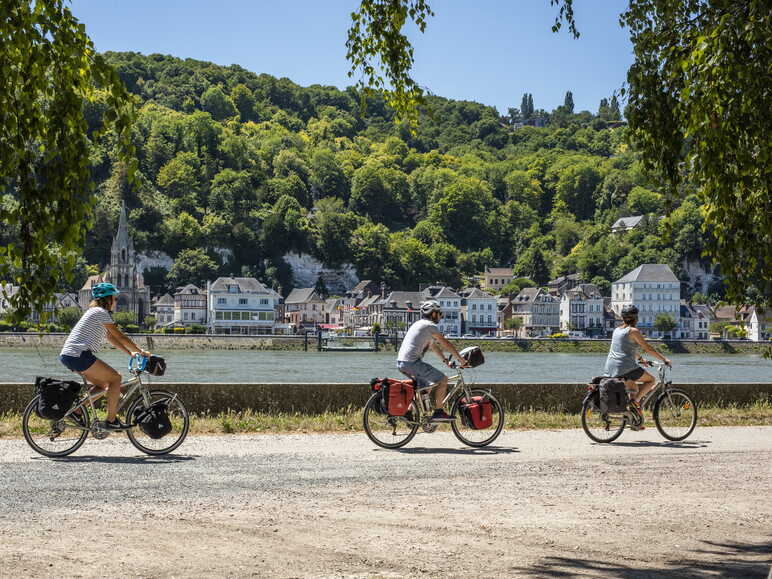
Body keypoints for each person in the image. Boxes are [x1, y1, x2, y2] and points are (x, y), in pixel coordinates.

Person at [59, 282, 151, 430]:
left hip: (70, 355)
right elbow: (120, 336)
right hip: (78, 355)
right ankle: (111, 421)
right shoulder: (100, 313)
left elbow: (111, 338)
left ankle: (76, 412)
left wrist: (130, 353)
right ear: (107, 299)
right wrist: (140, 351)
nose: (116, 302)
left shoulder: (94, 313)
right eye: (114, 299)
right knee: (116, 378)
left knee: (103, 385)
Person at [397, 299, 469, 422]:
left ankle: (409, 412)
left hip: (402, 363)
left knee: (427, 386)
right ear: (433, 314)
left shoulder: (419, 324)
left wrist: (446, 361)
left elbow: (433, 346)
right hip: (412, 363)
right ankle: (438, 412)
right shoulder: (430, 326)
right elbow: (446, 343)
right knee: (443, 380)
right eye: (439, 313)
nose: (440, 317)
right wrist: (461, 359)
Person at [604, 304, 671, 429]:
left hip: (610, 367)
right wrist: (664, 359)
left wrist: (641, 359)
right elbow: (648, 348)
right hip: (625, 367)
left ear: (623, 318)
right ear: (636, 318)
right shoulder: (633, 331)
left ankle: (635, 420)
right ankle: (635, 403)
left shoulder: (617, 330)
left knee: (633, 388)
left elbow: (627, 349)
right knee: (651, 380)